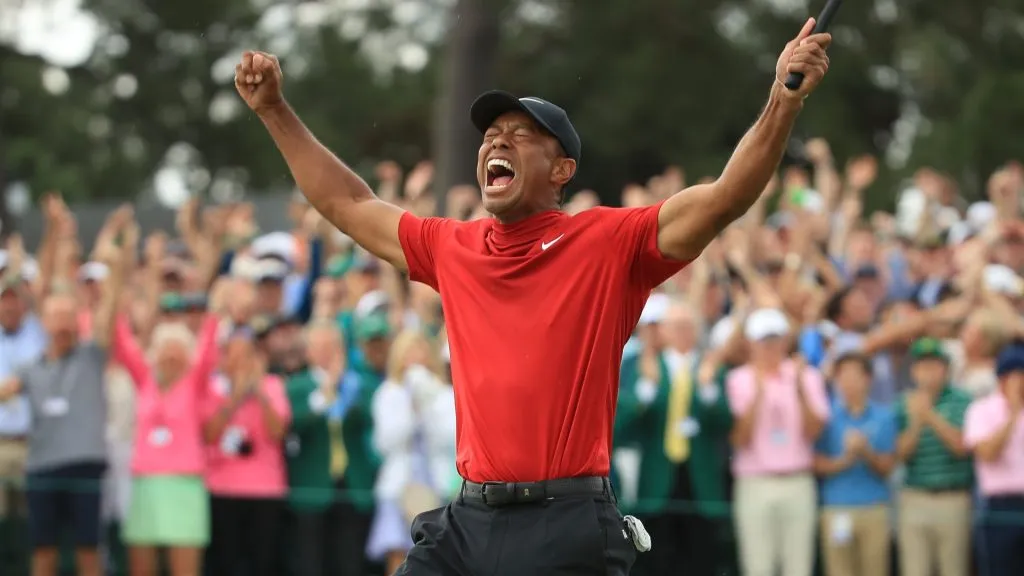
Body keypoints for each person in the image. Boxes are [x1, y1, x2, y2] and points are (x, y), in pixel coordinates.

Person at [233, 16, 833, 574]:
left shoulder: (608, 241)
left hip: (567, 524)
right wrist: (275, 110)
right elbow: (350, 204)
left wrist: (783, 99)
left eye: (520, 136)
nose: (498, 142)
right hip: (466, 522)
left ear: (561, 170)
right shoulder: (453, 246)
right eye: (491, 135)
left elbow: (726, 195)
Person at [962, 341, 1024, 576]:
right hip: (999, 508)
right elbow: (988, 453)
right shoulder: (981, 410)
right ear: (1003, 379)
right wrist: (1013, 414)